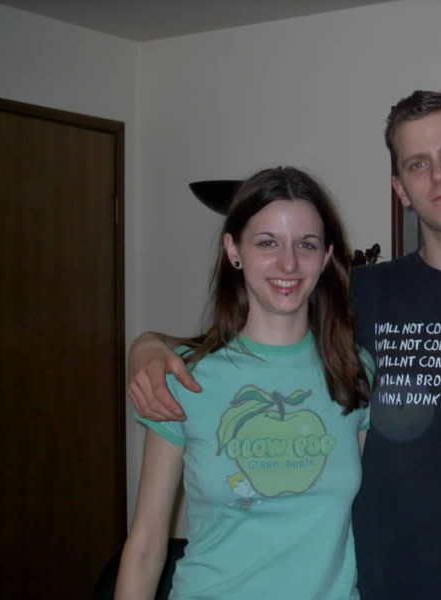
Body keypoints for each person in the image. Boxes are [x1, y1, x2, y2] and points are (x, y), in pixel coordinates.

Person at [127, 90, 441, 598]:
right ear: (401, 189)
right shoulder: (357, 298)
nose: (439, 175)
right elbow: (255, 340)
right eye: (418, 164)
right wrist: (146, 347)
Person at [115, 166, 373, 599]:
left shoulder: (353, 371)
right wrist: (144, 345)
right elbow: (145, 546)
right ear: (234, 250)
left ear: (327, 256)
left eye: (306, 244)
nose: (288, 263)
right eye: (267, 242)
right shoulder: (185, 376)